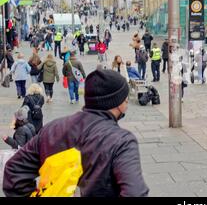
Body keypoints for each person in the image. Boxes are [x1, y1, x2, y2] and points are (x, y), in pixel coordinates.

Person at [3, 70, 149, 197]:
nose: (127, 102)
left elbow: (13, 171)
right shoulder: (122, 141)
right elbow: (135, 192)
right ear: (117, 102)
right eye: (125, 98)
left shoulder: (52, 128)